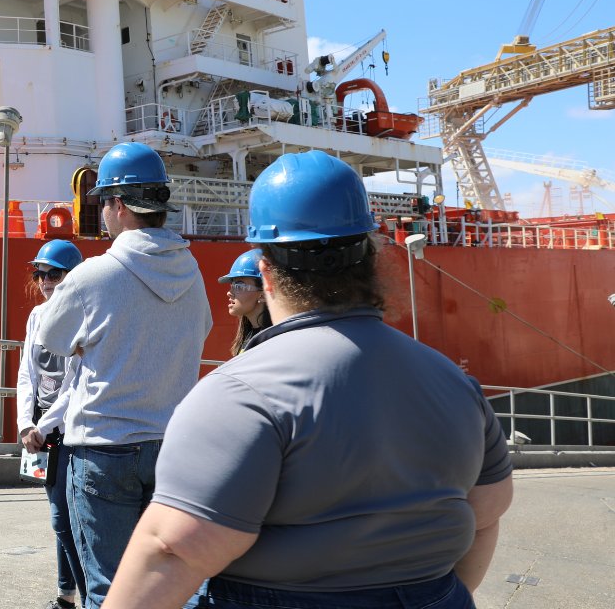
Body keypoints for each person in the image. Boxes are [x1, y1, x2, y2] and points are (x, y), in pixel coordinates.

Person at [104, 150, 515, 609]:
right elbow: (486, 515)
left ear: (266, 272)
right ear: (371, 256)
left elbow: (173, 549)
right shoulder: (456, 383)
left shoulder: (240, 393)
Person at [34, 141, 211, 609]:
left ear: (117, 204)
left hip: (104, 451)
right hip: (171, 451)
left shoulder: (95, 274)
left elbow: (50, 338)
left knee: (109, 591)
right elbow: (204, 330)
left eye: (103, 203)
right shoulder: (191, 271)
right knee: (171, 587)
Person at [16, 239, 87, 609]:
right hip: (40, 432)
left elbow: (76, 384)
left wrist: (42, 426)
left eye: (53, 273)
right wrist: (24, 423)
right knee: (59, 517)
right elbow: (26, 374)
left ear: (71, 276)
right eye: (40, 273)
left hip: (67, 431)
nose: (44, 280)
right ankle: (66, 595)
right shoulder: (36, 317)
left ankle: (87, 596)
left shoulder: (83, 318)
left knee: (65, 517)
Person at [219, 249, 271, 357]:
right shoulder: (249, 336)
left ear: (262, 294)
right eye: (232, 285)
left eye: (239, 286)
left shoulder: (271, 341)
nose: (229, 293)